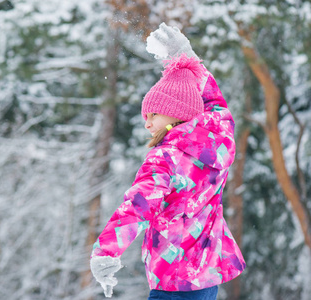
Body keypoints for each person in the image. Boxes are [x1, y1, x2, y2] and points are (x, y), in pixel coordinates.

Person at [90, 23, 246, 300]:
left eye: (153, 114)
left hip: (173, 281)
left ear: (175, 112)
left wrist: (106, 251)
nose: (147, 123)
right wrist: (188, 60)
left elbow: (137, 206)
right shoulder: (220, 143)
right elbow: (215, 104)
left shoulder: (166, 158)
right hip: (206, 279)